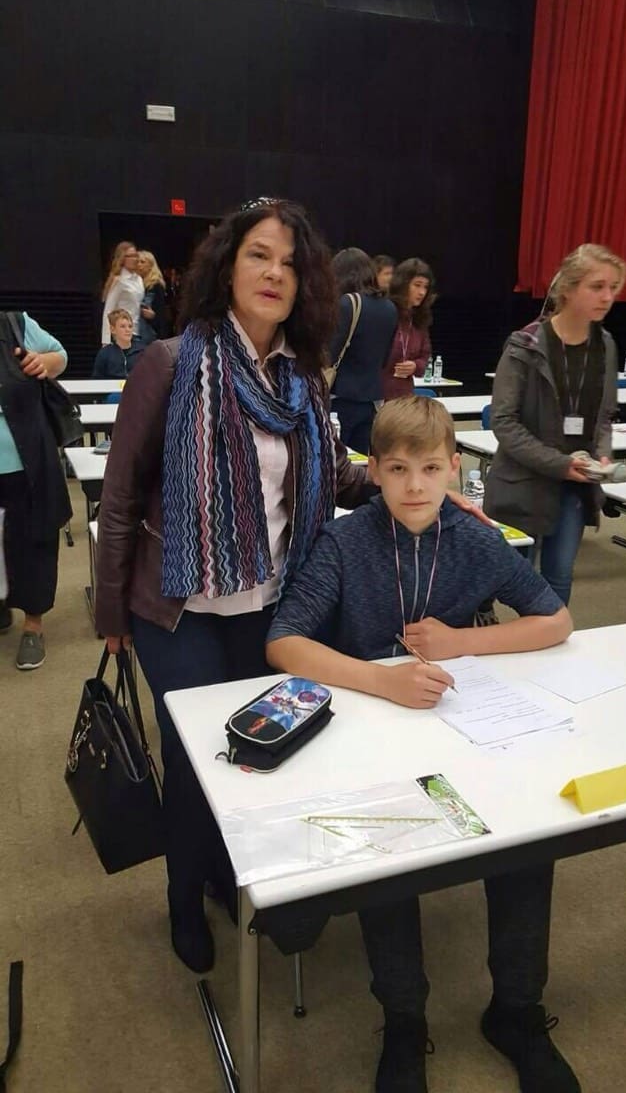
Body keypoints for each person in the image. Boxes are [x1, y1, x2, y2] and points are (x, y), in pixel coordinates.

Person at [94, 197, 378, 974]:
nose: (274, 272)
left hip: (270, 608)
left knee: (255, 757)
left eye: (289, 263)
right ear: (228, 268)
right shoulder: (168, 363)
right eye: (259, 255)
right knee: (195, 768)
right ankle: (183, 896)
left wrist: (411, 487)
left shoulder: (302, 379)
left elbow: (335, 475)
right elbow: (119, 500)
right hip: (177, 609)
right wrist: (111, 613)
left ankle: (224, 870)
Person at [267, 396, 578, 1093]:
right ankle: (404, 1018)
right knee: (387, 848)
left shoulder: (474, 538)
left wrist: (463, 641)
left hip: (464, 722)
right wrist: (382, 681)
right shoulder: (345, 542)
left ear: (454, 469)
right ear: (374, 470)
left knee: (530, 834)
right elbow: (284, 642)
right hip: (375, 729)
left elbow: (554, 620)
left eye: (431, 468)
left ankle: (516, 1010)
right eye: (399, 469)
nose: (415, 485)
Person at [484, 243, 626, 604]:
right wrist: (560, 464)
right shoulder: (525, 345)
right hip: (524, 482)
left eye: (613, 287)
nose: (607, 297)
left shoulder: (605, 345)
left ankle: (550, 634)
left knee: (559, 577)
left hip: (575, 487)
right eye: (597, 286)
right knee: (508, 578)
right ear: (568, 288)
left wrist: (602, 457)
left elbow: (605, 415)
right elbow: (504, 422)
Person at [0, 311, 72, 670]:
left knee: (33, 541)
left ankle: (33, 625)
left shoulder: (15, 323)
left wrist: (44, 362)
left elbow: (61, 356)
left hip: (27, 461)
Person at [329, 248, 397, 454]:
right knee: (359, 460)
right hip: (372, 397)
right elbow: (385, 358)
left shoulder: (347, 303)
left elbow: (329, 354)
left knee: (334, 458)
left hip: (341, 396)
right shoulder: (390, 308)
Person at [383, 258, 436, 400]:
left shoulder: (419, 319)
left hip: (405, 395)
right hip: (378, 393)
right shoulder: (385, 313)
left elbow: (425, 356)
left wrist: (415, 366)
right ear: (402, 284)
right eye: (417, 285)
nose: (422, 292)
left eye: (425, 287)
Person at [101, 241, 144, 345]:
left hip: (138, 332)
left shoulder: (139, 279)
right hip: (122, 334)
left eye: (135, 255)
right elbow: (108, 310)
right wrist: (106, 341)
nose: (135, 259)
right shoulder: (119, 281)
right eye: (130, 256)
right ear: (123, 258)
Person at [92, 309, 145, 379]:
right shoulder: (104, 354)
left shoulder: (142, 351)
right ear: (113, 329)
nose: (128, 330)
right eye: (123, 326)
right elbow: (97, 380)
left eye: (130, 326)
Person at [137, 250, 168, 343]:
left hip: (150, 334)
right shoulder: (137, 284)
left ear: (150, 265)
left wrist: (153, 317)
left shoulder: (155, 285)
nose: (139, 265)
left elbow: (161, 314)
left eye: (142, 262)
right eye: (137, 262)